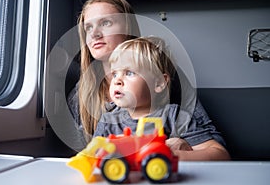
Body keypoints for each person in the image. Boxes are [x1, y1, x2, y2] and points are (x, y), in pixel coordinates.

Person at [66, 0, 230, 160]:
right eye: (88, 27)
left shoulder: (169, 80)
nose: (95, 34)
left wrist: (181, 150)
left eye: (106, 23)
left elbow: (216, 148)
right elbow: (85, 157)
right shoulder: (80, 94)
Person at [93, 36, 230, 161]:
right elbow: (92, 159)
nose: (117, 81)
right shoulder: (107, 122)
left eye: (129, 73)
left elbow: (220, 154)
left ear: (159, 83)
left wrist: (175, 155)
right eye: (115, 74)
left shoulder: (174, 116)